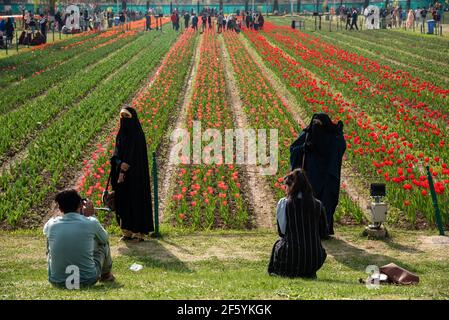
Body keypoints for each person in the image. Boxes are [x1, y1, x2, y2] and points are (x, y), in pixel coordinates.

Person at [44, 189, 114, 287]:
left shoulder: (50, 224)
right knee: (103, 243)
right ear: (80, 205)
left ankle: (58, 270)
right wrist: (91, 215)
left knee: (49, 239)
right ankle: (106, 275)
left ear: (59, 208)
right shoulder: (91, 223)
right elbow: (104, 238)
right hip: (87, 280)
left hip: (57, 280)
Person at [290, 113, 346, 235]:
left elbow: (340, 146)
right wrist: (304, 147)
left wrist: (338, 133)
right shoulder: (307, 135)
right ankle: (309, 232)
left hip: (327, 177)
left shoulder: (333, 138)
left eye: (319, 124)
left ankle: (323, 231)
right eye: (314, 123)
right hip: (310, 177)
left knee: (325, 204)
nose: (316, 127)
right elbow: (294, 148)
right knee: (308, 203)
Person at [268, 169, 328, 278]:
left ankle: (282, 271)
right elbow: (323, 232)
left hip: (291, 257)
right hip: (314, 258)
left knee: (278, 244)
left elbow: (282, 232)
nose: (285, 190)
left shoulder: (285, 203)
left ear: (291, 187)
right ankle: (308, 271)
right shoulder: (318, 204)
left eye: (286, 187)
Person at [110, 107, 154, 241]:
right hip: (121, 175)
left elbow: (137, 156)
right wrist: (119, 163)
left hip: (136, 175)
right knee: (123, 201)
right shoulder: (121, 134)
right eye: (122, 117)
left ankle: (139, 232)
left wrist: (127, 164)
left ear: (133, 118)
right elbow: (116, 153)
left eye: (127, 117)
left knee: (136, 200)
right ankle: (126, 231)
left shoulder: (138, 135)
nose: (124, 120)